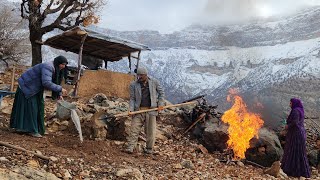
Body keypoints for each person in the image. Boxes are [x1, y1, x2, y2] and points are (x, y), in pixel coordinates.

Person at [10, 56, 68, 138]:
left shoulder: (55, 68)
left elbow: (55, 82)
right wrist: (60, 89)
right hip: (27, 86)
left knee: (39, 107)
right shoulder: (48, 67)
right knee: (32, 109)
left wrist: (59, 94)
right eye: (62, 64)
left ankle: (37, 128)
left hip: (35, 88)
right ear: (58, 63)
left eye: (65, 65)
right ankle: (31, 130)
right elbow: (46, 82)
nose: (63, 66)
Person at [125, 66, 165, 154]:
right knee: (134, 129)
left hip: (151, 110)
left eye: (141, 76)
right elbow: (132, 98)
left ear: (146, 75)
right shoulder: (133, 85)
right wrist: (131, 109)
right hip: (138, 110)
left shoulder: (154, 82)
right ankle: (130, 147)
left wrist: (160, 104)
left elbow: (161, 93)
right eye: (138, 76)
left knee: (150, 132)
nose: (139, 78)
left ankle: (149, 149)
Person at [281, 98, 310, 178]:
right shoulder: (300, 110)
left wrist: (287, 126)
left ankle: (291, 171)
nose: (289, 105)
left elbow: (295, 122)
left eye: (290, 103)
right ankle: (299, 171)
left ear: (294, 103)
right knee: (298, 151)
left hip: (296, 134)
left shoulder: (295, 111)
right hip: (300, 132)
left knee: (293, 150)